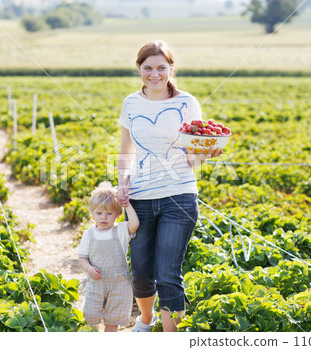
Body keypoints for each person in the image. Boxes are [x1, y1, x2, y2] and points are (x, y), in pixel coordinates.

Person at [116, 40, 222, 332]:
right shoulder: (130, 103)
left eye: (161, 67)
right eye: (148, 67)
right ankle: (146, 320)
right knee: (140, 273)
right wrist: (122, 183)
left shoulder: (187, 102)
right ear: (139, 69)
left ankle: (171, 337)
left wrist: (203, 154)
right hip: (140, 198)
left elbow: (193, 155)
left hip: (179, 196)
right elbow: (126, 152)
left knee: (168, 274)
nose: (155, 74)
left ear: (171, 68)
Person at [78, 181, 139, 332]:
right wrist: (89, 268)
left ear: (118, 214)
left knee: (114, 319)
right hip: (96, 281)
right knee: (91, 317)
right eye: (99, 213)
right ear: (92, 213)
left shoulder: (121, 230)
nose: (103, 217)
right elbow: (82, 257)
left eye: (109, 213)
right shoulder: (89, 233)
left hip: (119, 282)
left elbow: (135, 224)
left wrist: (127, 205)